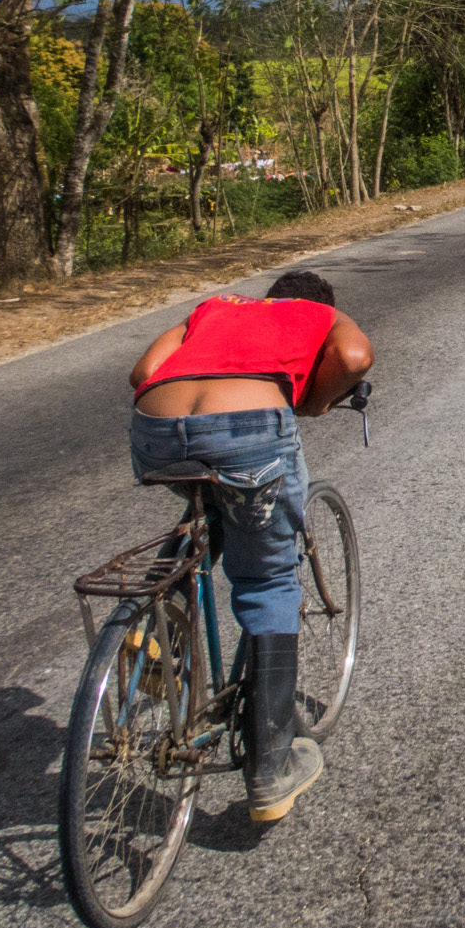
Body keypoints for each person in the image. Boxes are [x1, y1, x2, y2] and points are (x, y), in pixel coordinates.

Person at [128, 270, 373, 823]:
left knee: (212, 505)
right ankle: (271, 767)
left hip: (155, 431)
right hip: (248, 433)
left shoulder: (216, 307)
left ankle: (156, 624)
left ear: (266, 298)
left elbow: (143, 371)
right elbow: (355, 357)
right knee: (268, 578)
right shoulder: (316, 314)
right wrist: (315, 402)